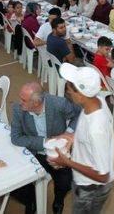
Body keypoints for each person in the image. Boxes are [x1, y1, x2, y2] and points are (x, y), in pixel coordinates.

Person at [49, 65, 114, 213]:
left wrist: (66, 162)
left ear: (81, 95)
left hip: (91, 189)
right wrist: (71, 137)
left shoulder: (96, 129)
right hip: (86, 183)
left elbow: (103, 175)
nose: (67, 92)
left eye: (70, 90)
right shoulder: (97, 101)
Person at [11, 82, 80, 214]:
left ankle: (58, 200)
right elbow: (16, 138)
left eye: (24, 100)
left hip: (56, 153)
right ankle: (31, 201)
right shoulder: (17, 109)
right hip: (33, 152)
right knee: (13, 183)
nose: (20, 102)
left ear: (36, 103)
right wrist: (44, 141)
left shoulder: (59, 104)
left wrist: (68, 133)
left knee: (66, 182)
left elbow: (79, 114)